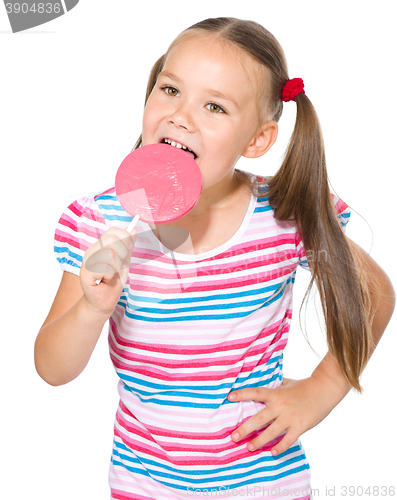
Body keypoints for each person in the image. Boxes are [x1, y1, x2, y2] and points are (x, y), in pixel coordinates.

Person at [34, 17, 395, 500]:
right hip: (144, 484)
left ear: (257, 140)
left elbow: (374, 293)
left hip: (267, 484)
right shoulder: (100, 221)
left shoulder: (285, 214)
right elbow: (52, 369)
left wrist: (321, 390)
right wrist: (91, 308)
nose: (180, 115)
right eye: (169, 90)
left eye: (213, 106)